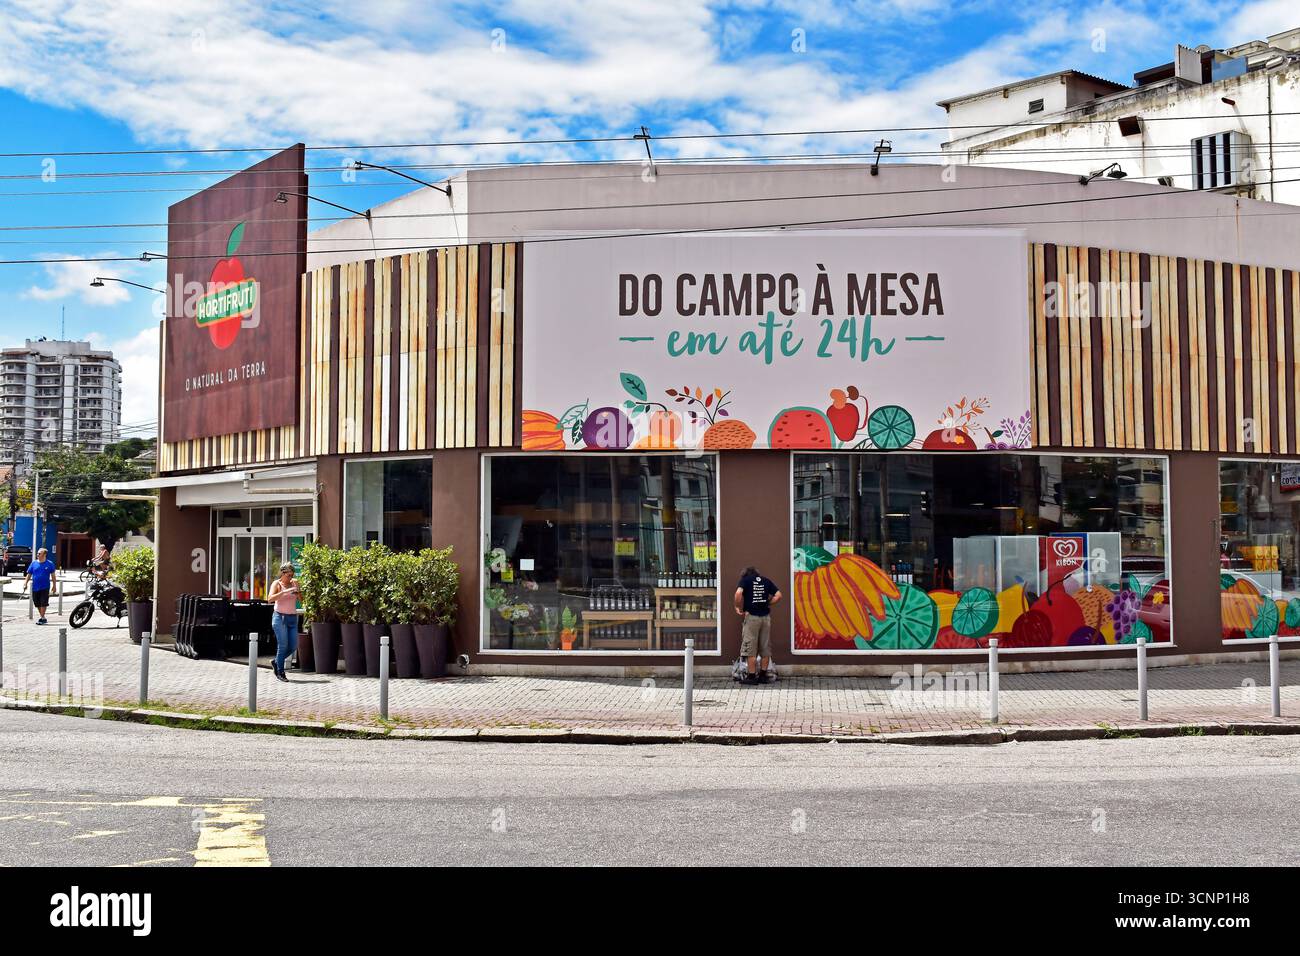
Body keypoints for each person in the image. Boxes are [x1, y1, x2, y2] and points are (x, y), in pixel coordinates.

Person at [734, 565, 782, 685]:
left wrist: (737, 607)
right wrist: (767, 603)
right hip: (765, 618)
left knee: (750, 647)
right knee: (765, 647)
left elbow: (738, 593)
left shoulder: (745, 581)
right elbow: (779, 595)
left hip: (752, 618)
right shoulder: (766, 581)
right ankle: (763, 676)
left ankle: (751, 676)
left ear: (745, 574)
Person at [266, 562, 300, 682]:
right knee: (283, 645)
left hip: (292, 618)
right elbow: (269, 599)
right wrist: (284, 592)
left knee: (293, 646)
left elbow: (301, 599)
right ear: (283, 573)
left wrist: (298, 591)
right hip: (279, 617)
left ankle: (276, 661)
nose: (290, 578)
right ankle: (280, 672)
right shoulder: (277, 584)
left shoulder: (294, 582)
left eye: (292, 575)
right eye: (288, 575)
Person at [23, 547, 57, 625]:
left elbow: (53, 576)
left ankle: (42, 618)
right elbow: (29, 574)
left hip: (45, 587)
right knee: (37, 603)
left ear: (44, 554)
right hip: (35, 587)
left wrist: (54, 586)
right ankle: (43, 617)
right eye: (37, 553)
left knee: (43, 602)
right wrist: (25, 583)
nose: (37, 555)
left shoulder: (50, 564)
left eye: (39, 553)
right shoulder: (34, 563)